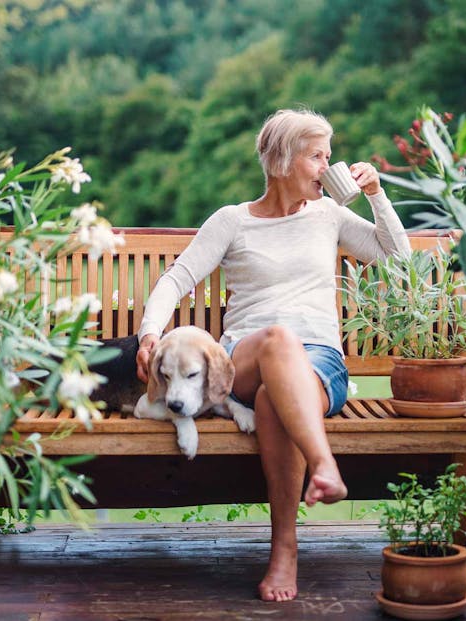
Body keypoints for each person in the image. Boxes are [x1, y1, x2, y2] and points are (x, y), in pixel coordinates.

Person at [135, 108, 411, 602]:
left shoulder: (330, 215)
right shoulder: (232, 222)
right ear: (283, 161)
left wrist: (376, 194)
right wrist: (148, 334)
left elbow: (398, 259)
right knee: (279, 340)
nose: (328, 167)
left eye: (330, 156)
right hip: (242, 357)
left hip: (320, 363)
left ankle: (284, 550)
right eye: (317, 156)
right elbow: (177, 278)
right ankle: (324, 465)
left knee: (270, 402)